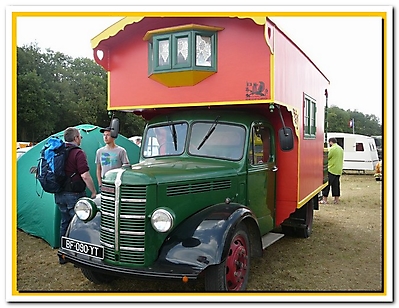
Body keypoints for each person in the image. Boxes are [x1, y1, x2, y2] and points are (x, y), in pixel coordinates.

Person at [55, 127, 97, 264]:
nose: (81, 139)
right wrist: (94, 191)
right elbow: (85, 175)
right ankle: (77, 257)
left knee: (64, 222)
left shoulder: (58, 151)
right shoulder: (78, 153)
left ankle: (63, 255)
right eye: (80, 137)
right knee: (78, 225)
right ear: (75, 138)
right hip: (74, 194)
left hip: (59, 193)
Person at [320, 137, 344, 205]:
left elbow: (326, 157)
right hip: (338, 170)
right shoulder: (340, 149)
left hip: (331, 169)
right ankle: (336, 200)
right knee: (336, 185)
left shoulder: (332, 149)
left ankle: (324, 199)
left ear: (330, 142)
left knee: (326, 185)